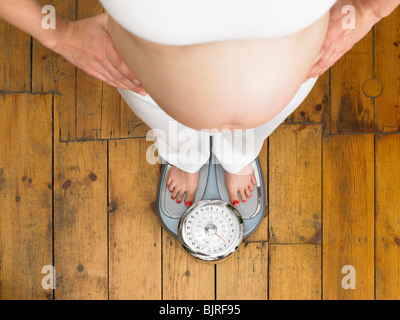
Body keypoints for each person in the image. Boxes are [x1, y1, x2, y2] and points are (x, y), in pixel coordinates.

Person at [1, 0, 398, 208]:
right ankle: (184, 154)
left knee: (254, 129)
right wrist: (59, 34)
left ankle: (239, 152)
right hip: (146, 79)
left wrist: (368, 10)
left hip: (294, 70)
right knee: (167, 126)